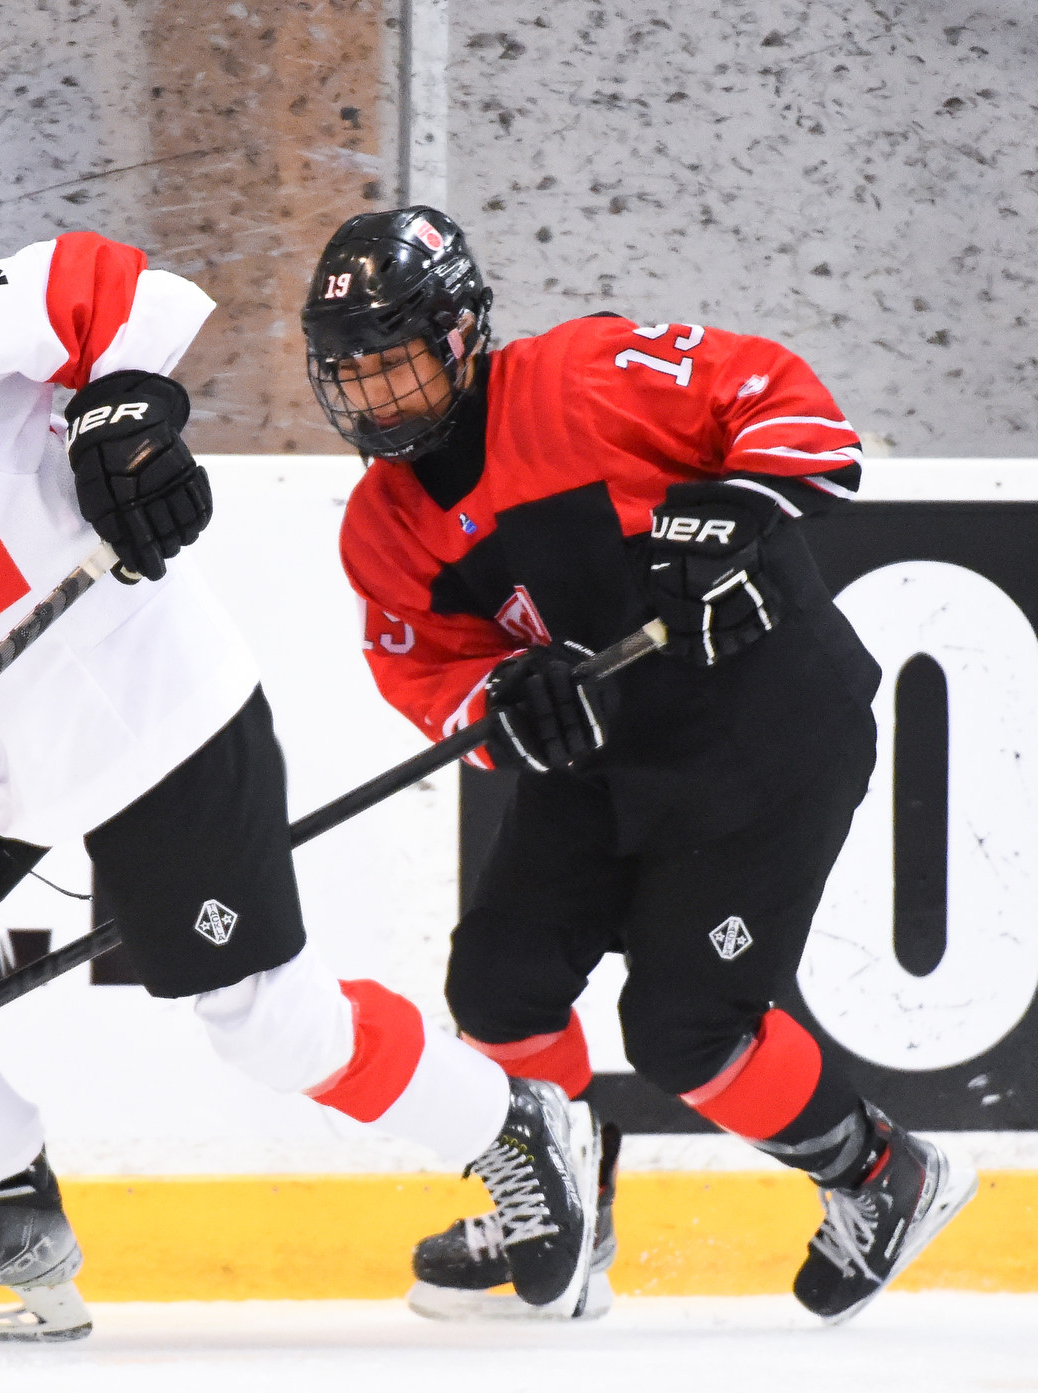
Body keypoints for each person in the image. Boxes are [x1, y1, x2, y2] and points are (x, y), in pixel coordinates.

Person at [0, 156, 600, 1340]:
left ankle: (508, 1122)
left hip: (149, 704)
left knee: (264, 1021)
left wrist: (122, 406)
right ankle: (8, 1215)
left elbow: (101, 288)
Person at [300, 205, 978, 1324]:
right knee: (497, 986)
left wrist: (733, 504)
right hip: (606, 756)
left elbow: (772, 392)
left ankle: (881, 1175)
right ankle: (575, 1208)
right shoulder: (381, 527)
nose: (377, 399)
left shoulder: (580, 377)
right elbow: (431, 673)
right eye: (353, 377)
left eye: (398, 364)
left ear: (462, 333)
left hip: (763, 734)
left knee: (682, 1028)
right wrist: (505, 700)